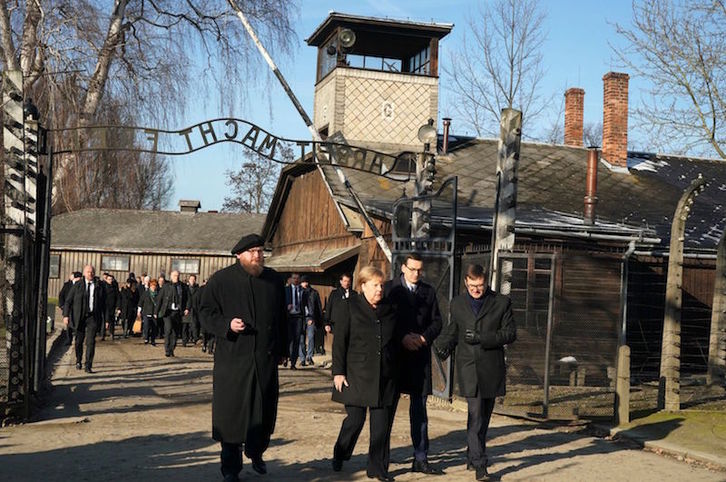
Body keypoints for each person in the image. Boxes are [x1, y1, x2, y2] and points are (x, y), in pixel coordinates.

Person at [199, 234, 288, 482]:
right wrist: (226, 324)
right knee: (232, 417)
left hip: (264, 359)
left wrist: (282, 349)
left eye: (260, 251)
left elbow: (282, 317)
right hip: (233, 359)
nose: (257, 256)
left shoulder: (274, 281)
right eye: (252, 252)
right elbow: (205, 313)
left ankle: (256, 452)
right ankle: (230, 469)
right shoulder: (221, 280)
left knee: (263, 411)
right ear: (239, 255)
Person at [433, 264, 517, 482]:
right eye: (472, 286)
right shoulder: (458, 303)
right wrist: (442, 347)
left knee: (484, 417)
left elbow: (510, 333)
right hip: (469, 367)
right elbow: (455, 330)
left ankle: (472, 456)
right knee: (475, 414)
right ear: (466, 283)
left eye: (480, 286)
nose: (476, 290)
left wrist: (483, 338)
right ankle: (481, 465)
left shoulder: (501, 302)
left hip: (491, 367)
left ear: (486, 282)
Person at [331, 266, 401, 482]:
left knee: (381, 427)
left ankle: (377, 468)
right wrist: (338, 372)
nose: (380, 289)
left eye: (381, 285)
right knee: (355, 420)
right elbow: (339, 342)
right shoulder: (350, 306)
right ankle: (340, 452)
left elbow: (395, 341)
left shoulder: (390, 309)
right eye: (375, 285)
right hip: (356, 374)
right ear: (362, 286)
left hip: (384, 376)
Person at [384, 253, 444, 475]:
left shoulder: (428, 291)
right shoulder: (390, 289)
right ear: (403, 268)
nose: (416, 274)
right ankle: (383, 459)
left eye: (420, 270)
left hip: (419, 358)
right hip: (395, 356)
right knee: (387, 410)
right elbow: (384, 319)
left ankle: (420, 457)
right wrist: (402, 337)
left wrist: (422, 338)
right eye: (412, 269)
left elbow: (437, 322)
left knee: (419, 411)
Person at [63, 264, 106, 373]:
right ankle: (78, 360)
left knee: (91, 342)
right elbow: (68, 301)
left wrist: (106, 320)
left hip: (92, 317)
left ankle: (88, 365)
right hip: (80, 317)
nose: (90, 274)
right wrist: (66, 315)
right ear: (84, 273)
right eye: (88, 272)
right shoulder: (78, 285)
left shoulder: (99, 286)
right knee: (78, 341)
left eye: (92, 272)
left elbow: (104, 304)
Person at [157, 270, 189, 357]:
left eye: (178, 275)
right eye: (174, 275)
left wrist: (187, 308)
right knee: (168, 329)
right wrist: (156, 311)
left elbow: (188, 298)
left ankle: (172, 349)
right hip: (168, 312)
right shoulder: (166, 286)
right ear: (171, 277)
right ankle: (167, 350)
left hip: (178, 312)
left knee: (175, 332)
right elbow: (160, 299)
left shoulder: (183, 286)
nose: (176, 277)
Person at [284, 273, 306, 370]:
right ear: (291, 279)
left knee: (297, 339)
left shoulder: (303, 291)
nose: (296, 280)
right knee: (288, 339)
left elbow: (306, 304)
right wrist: (286, 307)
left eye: (298, 278)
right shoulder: (286, 290)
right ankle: (285, 356)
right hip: (288, 317)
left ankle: (293, 363)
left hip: (298, 317)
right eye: (294, 278)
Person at [299, 276, 322, 366]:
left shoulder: (314, 293)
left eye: (306, 282)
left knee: (311, 337)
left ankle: (309, 356)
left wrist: (315, 318)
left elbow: (318, 307)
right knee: (301, 339)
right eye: (303, 282)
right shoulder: (298, 292)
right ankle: (302, 358)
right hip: (300, 317)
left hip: (310, 317)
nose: (305, 283)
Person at [58, 271, 81, 346]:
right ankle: (69, 339)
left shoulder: (82, 285)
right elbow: (61, 295)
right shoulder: (67, 285)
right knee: (68, 325)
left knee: (78, 325)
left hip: (78, 308)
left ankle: (78, 340)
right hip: (68, 308)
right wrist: (61, 305)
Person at [138, 278, 160, 345]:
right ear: (150, 286)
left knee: (154, 327)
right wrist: (139, 311)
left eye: (155, 285)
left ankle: (153, 340)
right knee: (146, 326)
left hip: (154, 313)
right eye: (152, 285)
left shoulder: (158, 294)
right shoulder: (146, 293)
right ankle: (146, 338)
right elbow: (141, 302)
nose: (153, 287)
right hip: (146, 312)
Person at [101, 273, 120, 341]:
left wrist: (118, 306)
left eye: (111, 279)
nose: (110, 281)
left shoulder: (114, 287)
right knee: (104, 320)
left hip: (112, 306)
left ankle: (112, 333)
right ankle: (102, 334)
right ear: (106, 280)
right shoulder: (103, 287)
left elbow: (118, 296)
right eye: (109, 279)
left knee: (112, 320)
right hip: (104, 306)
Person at [187, 274, 201, 343]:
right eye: (191, 279)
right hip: (187, 308)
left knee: (195, 323)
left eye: (193, 279)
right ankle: (188, 337)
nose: (192, 281)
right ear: (189, 280)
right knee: (186, 324)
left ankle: (195, 337)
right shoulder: (186, 288)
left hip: (195, 308)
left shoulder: (198, 289)